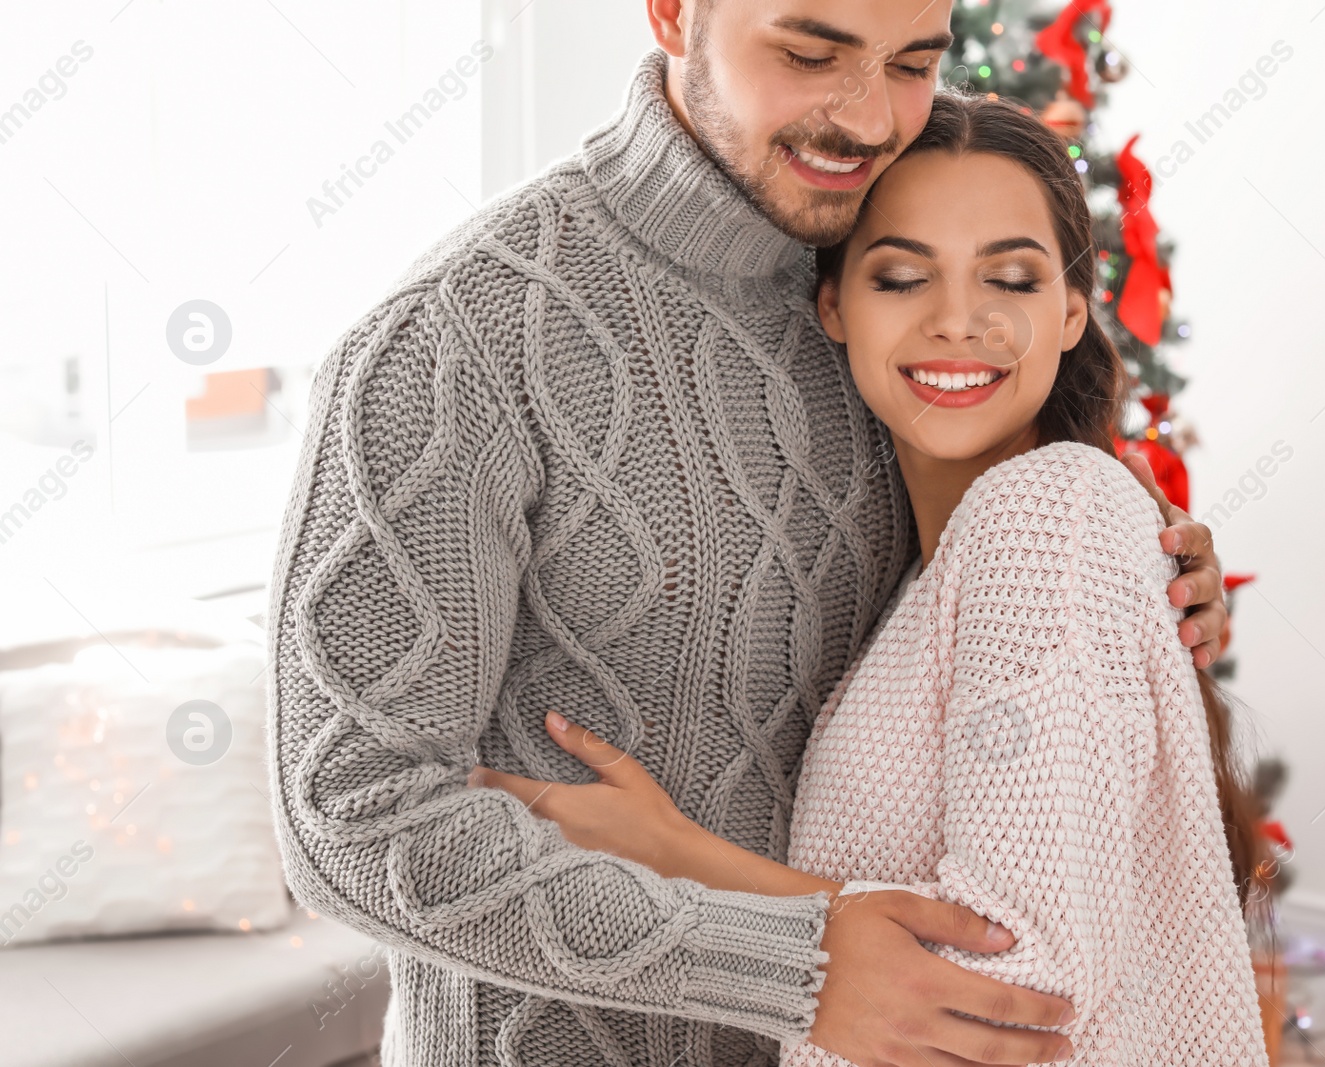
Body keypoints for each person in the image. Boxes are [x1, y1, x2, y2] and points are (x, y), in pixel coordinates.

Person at [265, 2, 1232, 1065]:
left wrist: (1144, 577)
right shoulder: (456, 342)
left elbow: (971, 603)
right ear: (675, 14)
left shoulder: (880, 289)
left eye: (911, 62)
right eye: (809, 53)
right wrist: (790, 963)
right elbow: (351, 816)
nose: (866, 118)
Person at [470, 91, 1270, 1065]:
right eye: (901, 278)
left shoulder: (1046, 512)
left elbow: (1012, 987)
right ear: (832, 307)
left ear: (1070, 313)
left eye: (1009, 280)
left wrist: (675, 855)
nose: (958, 323)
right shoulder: (927, 558)